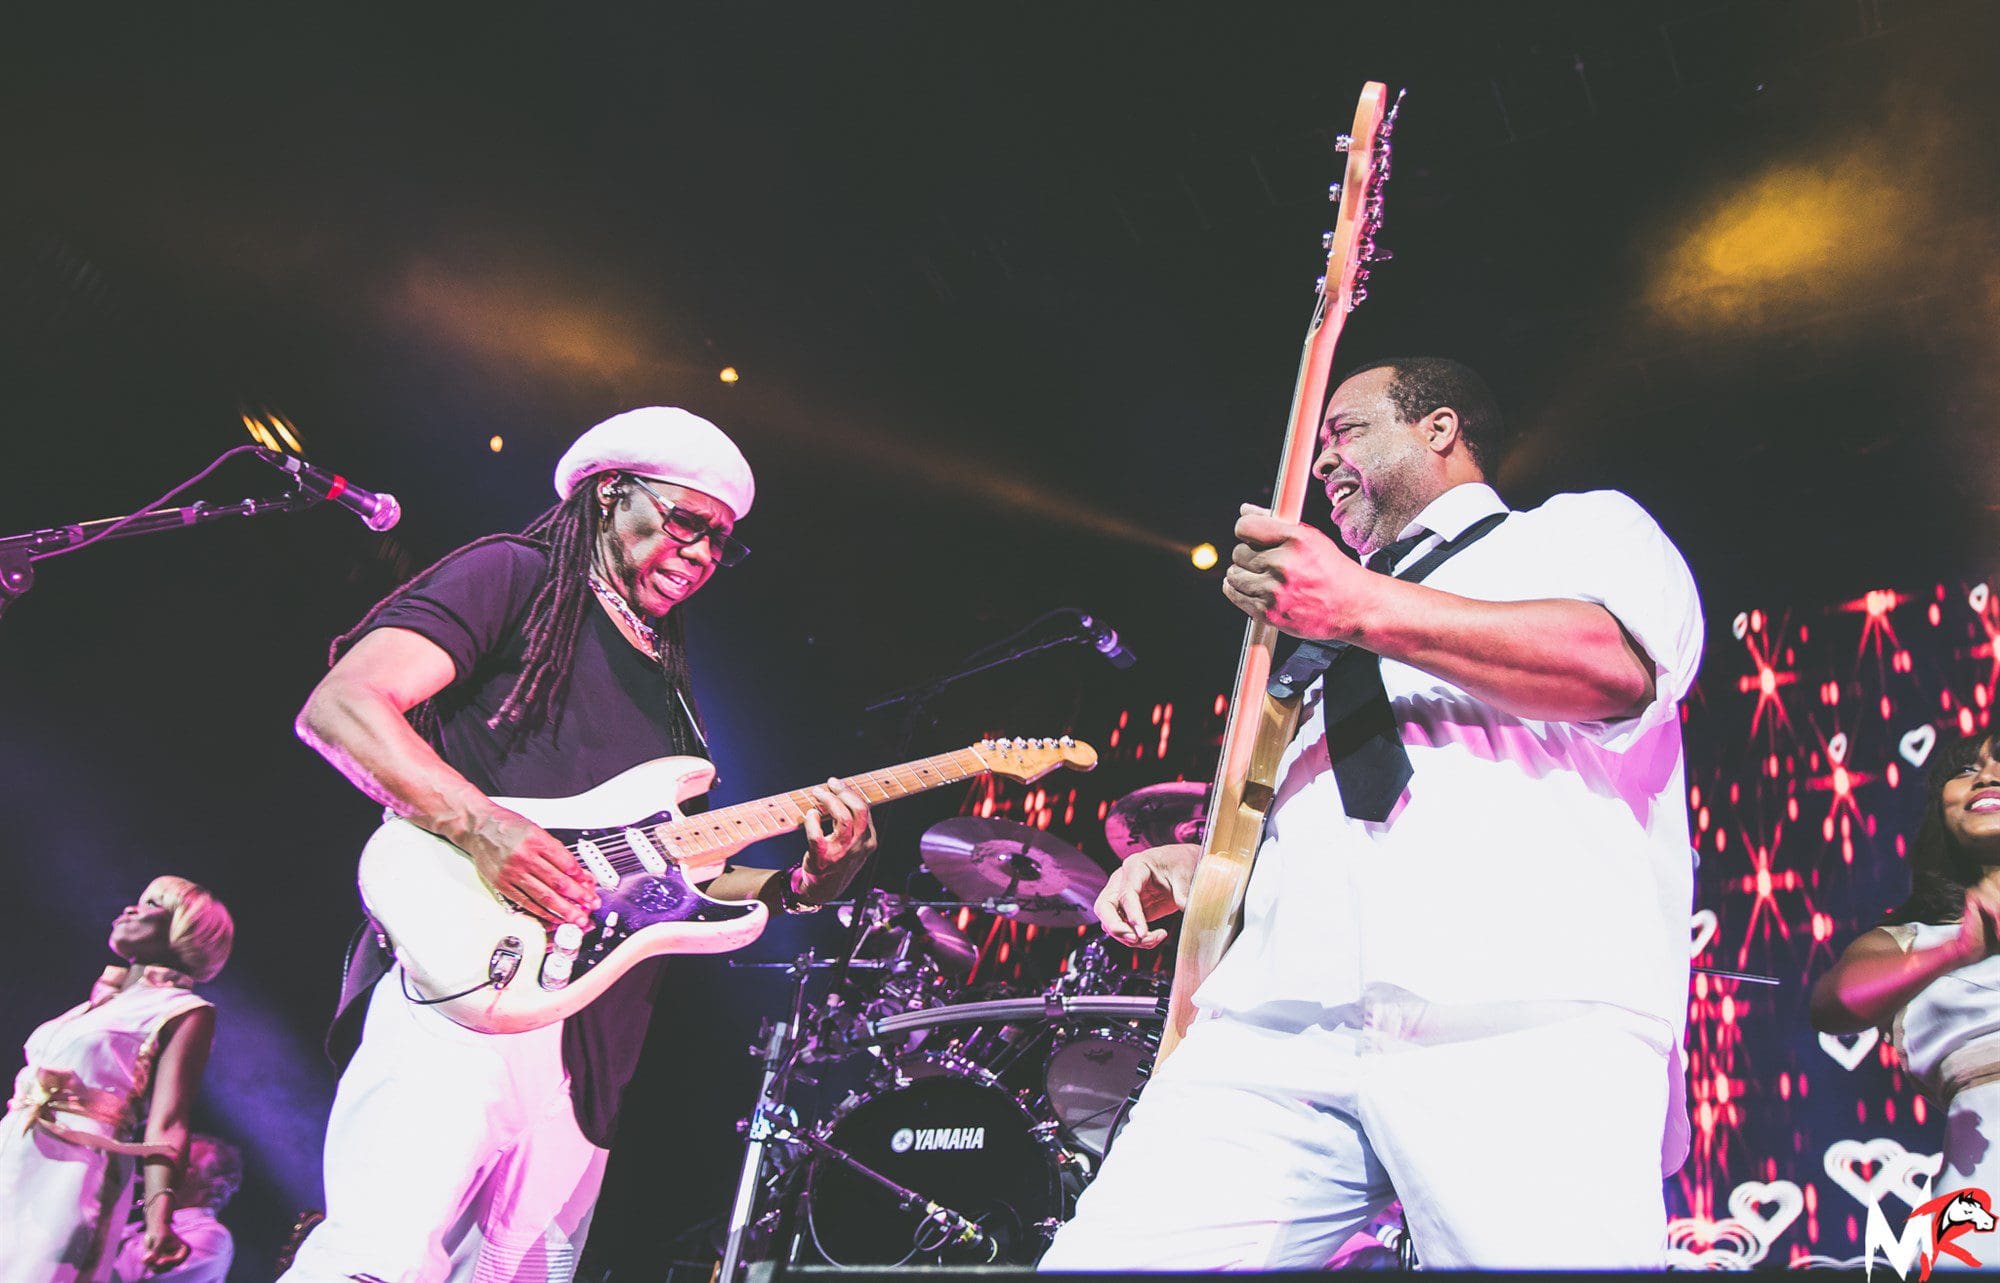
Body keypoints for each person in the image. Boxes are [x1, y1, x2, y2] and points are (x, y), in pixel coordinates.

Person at [1041, 358, 1704, 1270]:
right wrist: (1207, 868)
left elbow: (1614, 669)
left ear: (1440, 429)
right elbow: (1332, 809)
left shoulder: (1577, 529)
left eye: (1345, 431)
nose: (1322, 461)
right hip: (1278, 1018)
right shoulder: (1318, 631)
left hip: (1520, 1006)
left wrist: (1359, 605)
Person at [280, 407, 878, 1283]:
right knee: (372, 1265)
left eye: (721, 541)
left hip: (591, 1051)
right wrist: (483, 825)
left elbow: (680, 881)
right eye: (688, 522)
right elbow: (343, 706)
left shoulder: (671, 687)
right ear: (609, 495)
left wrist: (802, 884)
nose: (703, 554)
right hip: (462, 993)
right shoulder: (515, 575)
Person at [1811, 729, 2000, 1266]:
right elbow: (1833, 1003)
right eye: (1965, 770)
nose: (1986, 777)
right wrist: (1956, 953)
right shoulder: (1913, 941)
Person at [1, 877, 234, 1283]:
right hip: (15, 1152)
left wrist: (158, 1219)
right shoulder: (95, 1006)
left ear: (186, 928)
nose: (131, 909)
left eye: (153, 904)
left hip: (74, 1172)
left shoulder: (184, 1009)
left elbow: (168, 1122)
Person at [110, 1133, 241, 1283]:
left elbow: (128, 1275)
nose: (163, 1168)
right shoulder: (142, 1222)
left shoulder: (214, 1237)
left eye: (185, 1163)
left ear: (214, 1186)